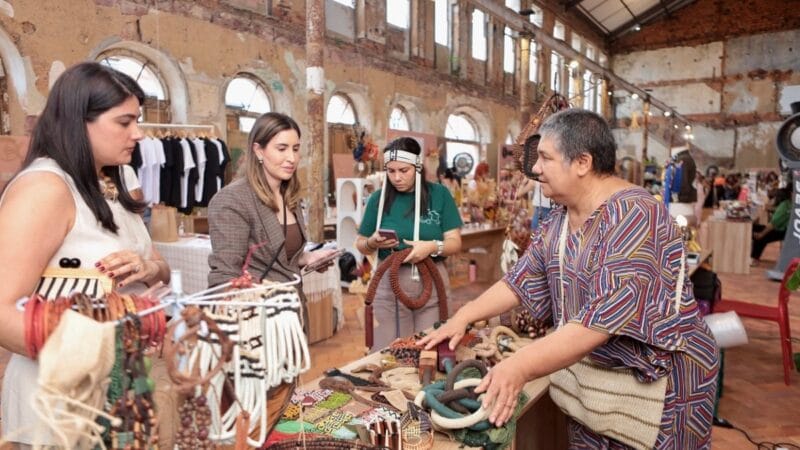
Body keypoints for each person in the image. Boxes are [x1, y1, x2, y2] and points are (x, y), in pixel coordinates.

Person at [420, 109, 719, 449]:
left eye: (546, 158)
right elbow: (519, 280)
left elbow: (597, 324)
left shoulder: (634, 217)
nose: (535, 168)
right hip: (596, 385)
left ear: (582, 162)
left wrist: (518, 367)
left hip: (662, 389)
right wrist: (464, 315)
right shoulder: (562, 218)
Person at [0, 62, 171, 445]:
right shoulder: (45, 188)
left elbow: (162, 270)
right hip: (61, 399)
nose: (139, 134)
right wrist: (98, 350)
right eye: (124, 122)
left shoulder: (120, 178)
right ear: (80, 121)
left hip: (120, 386)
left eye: (137, 121)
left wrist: (147, 267)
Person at [208, 112, 337, 288]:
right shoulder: (232, 200)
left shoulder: (289, 194)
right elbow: (225, 274)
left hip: (293, 305)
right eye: (282, 149)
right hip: (258, 308)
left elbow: (279, 258)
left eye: (296, 149)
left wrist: (307, 257)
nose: (292, 158)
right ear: (259, 151)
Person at [356, 137, 462, 350]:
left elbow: (455, 242)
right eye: (391, 171)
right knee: (389, 351)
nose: (396, 177)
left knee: (429, 348)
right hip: (389, 282)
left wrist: (432, 247)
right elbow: (360, 244)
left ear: (418, 166)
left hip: (432, 280)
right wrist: (372, 242)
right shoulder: (378, 199)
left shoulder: (439, 195)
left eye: (404, 171)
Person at [751, 185, 791, 265]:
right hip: (785, 230)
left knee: (760, 236)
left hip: (780, 231)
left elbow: (773, 224)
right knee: (755, 228)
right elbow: (775, 209)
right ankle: (753, 255)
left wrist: (761, 234)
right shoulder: (787, 204)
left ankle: (754, 259)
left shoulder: (784, 206)